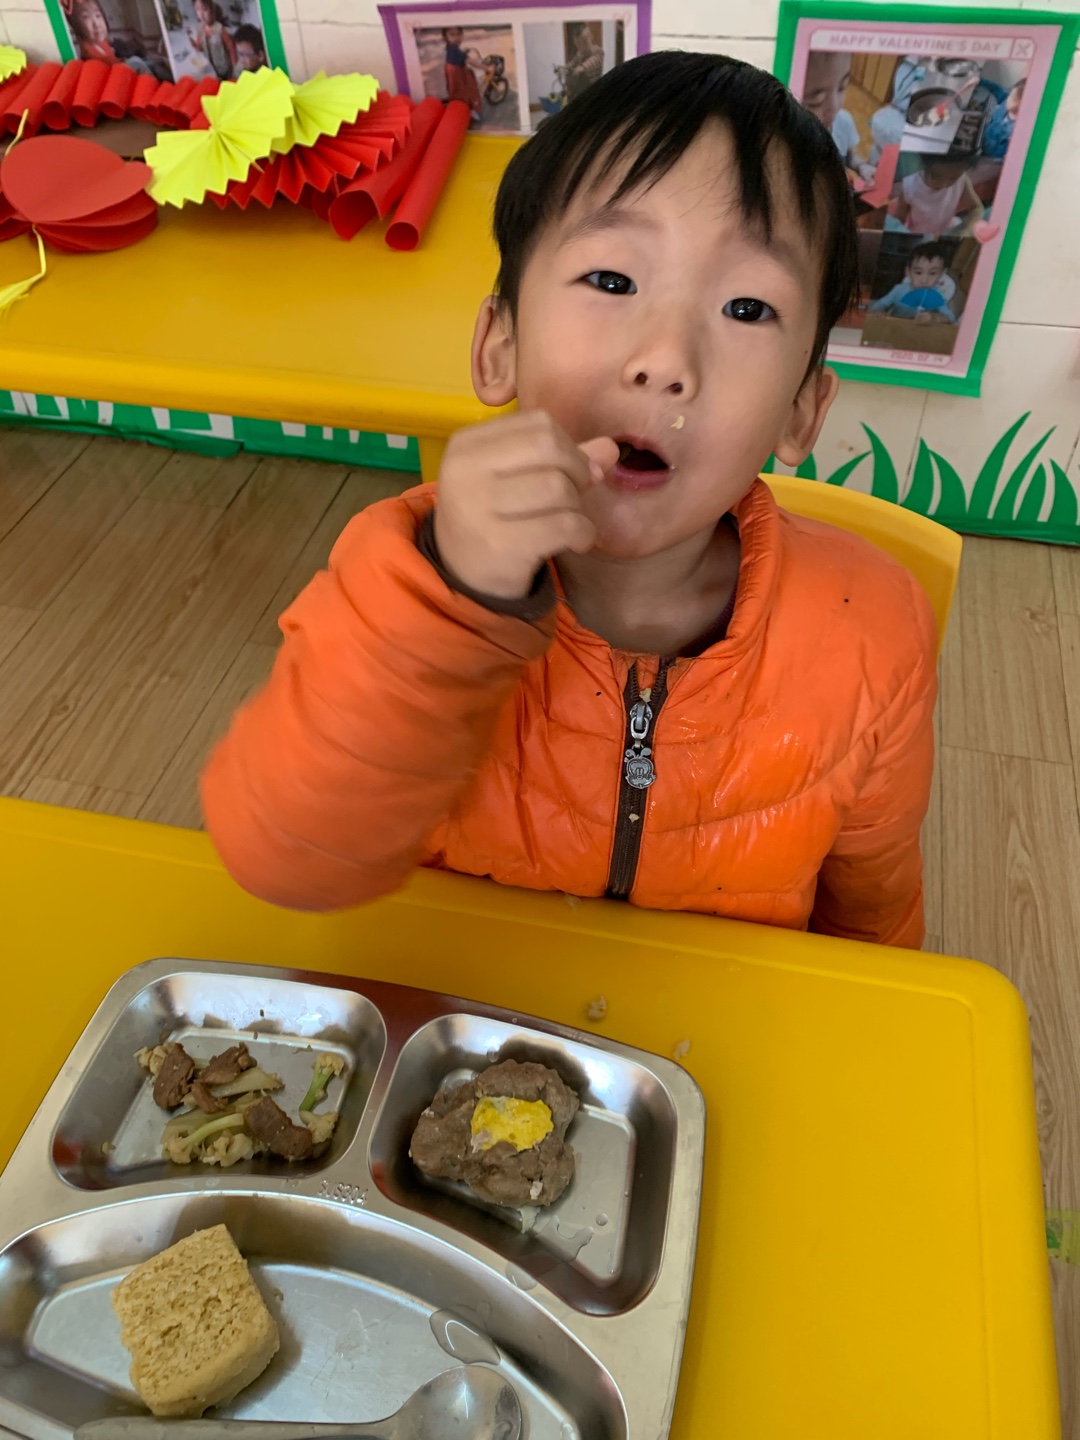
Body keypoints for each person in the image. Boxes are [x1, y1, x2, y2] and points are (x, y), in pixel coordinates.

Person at [202, 53, 937, 949]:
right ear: (500, 347)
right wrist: (454, 599)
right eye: (613, 281)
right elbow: (286, 859)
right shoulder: (400, 570)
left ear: (802, 411)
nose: (665, 360)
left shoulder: (877, 633)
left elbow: (875, 928)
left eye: (747, 308)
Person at [801, 50, 867, 176]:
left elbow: (849, 156)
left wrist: (861, 166)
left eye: (842, 87)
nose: (835, 107)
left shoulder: (844, 121)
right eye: (816, 101)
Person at [891, 154, 984, 235]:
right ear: (924, 166)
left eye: (953, 178)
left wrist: (967, 230)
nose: (944, 184)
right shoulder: (909, 187)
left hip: (947, 228)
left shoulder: (962, 181)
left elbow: (977, 208)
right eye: (936, 176)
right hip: (919, 233)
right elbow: (898, 221)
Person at [868, 241, 958, 324]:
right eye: (918, 272)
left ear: (942, 274)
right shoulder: (898, 290)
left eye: (932, 273)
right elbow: (880, 305)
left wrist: (934, 318)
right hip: (895, 328)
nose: (924, 280)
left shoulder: (937, 296)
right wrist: (879, 311)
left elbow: (951, 318)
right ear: (908, 272)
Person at [189, 0, 236, 81]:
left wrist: (234, 65)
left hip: (224, 68)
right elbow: (200, 48)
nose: (201, 13)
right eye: (198, 9)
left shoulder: (220, 29)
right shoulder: (200, 29)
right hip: (211, 69)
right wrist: (195, 45)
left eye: (205, 9)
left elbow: (231, 48)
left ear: (212, 10)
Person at [442, 26, 482, 120]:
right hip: (457, 73)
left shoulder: (450, 47)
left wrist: (463, 52)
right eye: (452, 35)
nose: (456, 38)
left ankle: (458, 108)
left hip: (453, 71)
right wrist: (487, 67)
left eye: (458, 34)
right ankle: (469, 110)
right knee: (467, 91)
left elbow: (457, 55)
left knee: (455, 91)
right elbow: (470, 61)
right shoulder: (454, 50)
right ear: (446, 37)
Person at [980, 76, 1024, 159]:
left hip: (990, 157)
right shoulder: (1005, 102)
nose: (1008, 99)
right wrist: (980, 81)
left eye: (1013, 99)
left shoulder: (1014, 130)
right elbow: (996, 89)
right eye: (1010, 95)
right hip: (982, 141)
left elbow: (1004, 157)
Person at [564, 22, 604, 103]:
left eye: (585, 42)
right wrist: (566, 67)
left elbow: (593, 61)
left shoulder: (598, 51)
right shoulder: (580, 53)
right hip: (582, 86)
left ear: (591, 37)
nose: (582, 47)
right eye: (578, 44)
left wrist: (582, 67)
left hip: (594, 85)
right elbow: (573, 62)